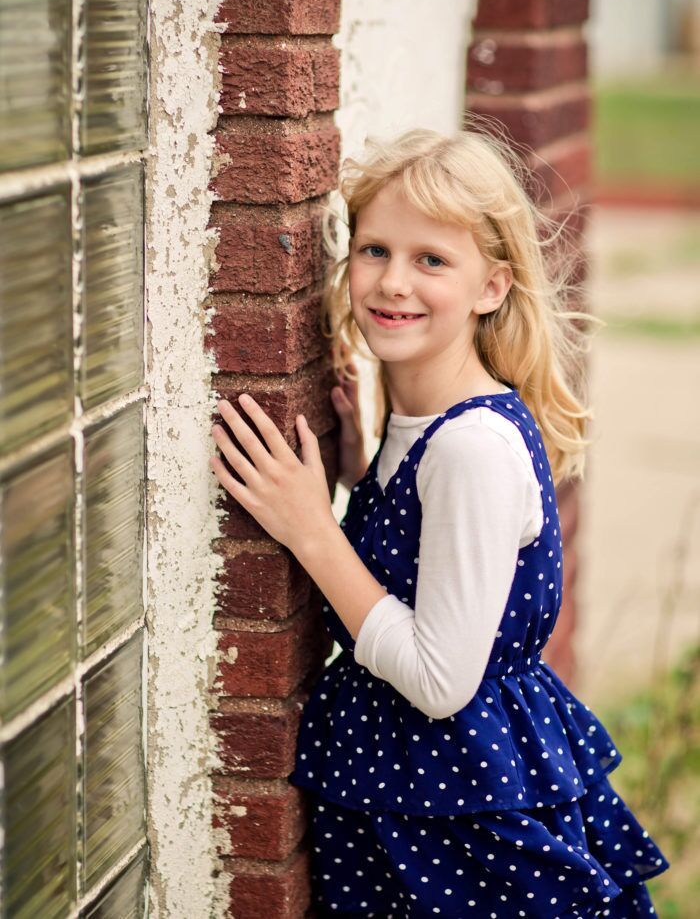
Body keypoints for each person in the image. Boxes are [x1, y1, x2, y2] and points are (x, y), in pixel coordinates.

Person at [208, 126, 670, 918]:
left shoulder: (470, 447)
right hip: (416, 804)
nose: (394, 283)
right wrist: (360, 474)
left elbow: (439, 678)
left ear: (492, 286)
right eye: (375, 250)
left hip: (459, 832)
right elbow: (419, 563)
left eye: (432, 260)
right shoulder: (418, 420)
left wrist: (312, 528)